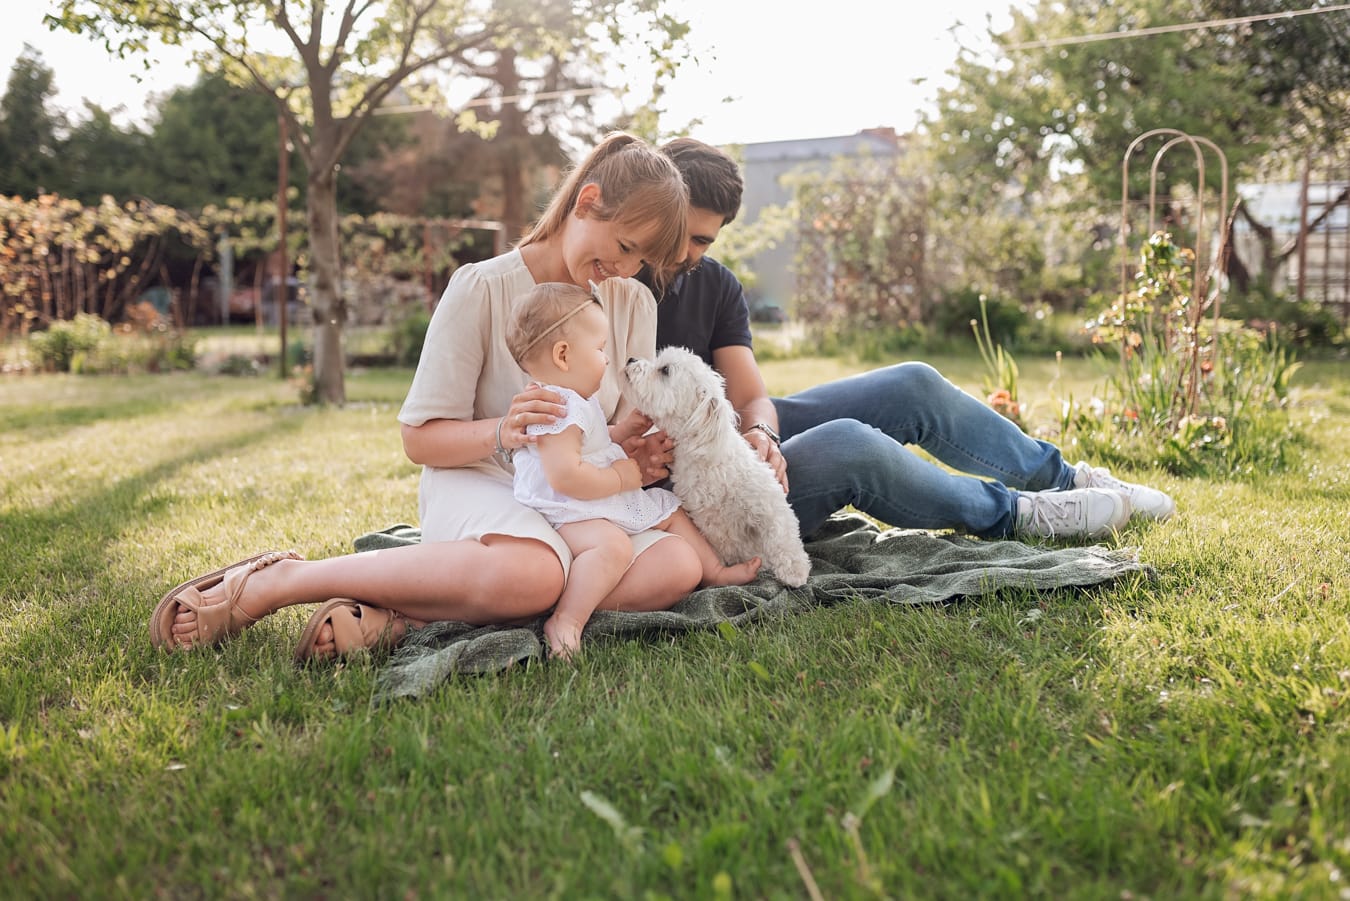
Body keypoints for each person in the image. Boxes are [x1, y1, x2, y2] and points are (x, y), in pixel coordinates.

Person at [150, 132, 706, 662]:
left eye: (641, 261)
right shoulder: (482, 288)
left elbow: (609, 432)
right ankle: (283, 581)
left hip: (578, 498)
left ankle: (406, 621)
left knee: (678, 564)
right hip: (479, 479)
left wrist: (638, 443)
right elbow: (419, 439)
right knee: (536, 573)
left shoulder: (633, 302)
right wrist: (500, 430)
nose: (627, 270)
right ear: (587, 202)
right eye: (625, 247)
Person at [636, 137, 1176, 544]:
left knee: (913, 383)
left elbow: (752, 396)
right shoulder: (613, 282)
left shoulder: (714, 283)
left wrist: (764, 438)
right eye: (683, 232)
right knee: (848, 442)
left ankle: (1062, 480)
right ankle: (1016, 513)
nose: (688, 252)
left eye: (704, 240)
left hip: (734, 451)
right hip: (691, 496)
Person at [505, 282, 760, 658]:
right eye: (599, 349)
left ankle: (714, 572)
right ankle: (567, 619)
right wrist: (623, 477)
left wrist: (621, 433)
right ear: (563, 354)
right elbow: (565, 476)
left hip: (592, 494)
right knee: (612, 547)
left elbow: (588, 443)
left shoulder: (574, 399)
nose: (607, 359)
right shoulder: (555, 408)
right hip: (565, 508)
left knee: (668, 509)